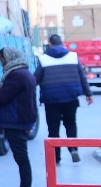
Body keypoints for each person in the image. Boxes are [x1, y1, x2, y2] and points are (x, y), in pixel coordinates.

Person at [0, 46, 39, 187]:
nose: (1, 62)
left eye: (2, 59)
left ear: (9, 58)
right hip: (20, 121)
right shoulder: (25, 73)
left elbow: (3, 97)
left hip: (15, 122)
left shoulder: (16, 75)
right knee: (22, 159)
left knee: (22, 160)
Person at [35, 34, 93, 165]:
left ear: (50, 44)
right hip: (70, 98)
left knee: (53, 129)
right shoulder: (73, 57)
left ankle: (56, 157)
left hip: (51, 100)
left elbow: (36, 79)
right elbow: (82, 77)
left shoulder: (43, 59)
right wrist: (88, 94)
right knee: (71, 124)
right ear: (62, 44)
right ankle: (73, 150)